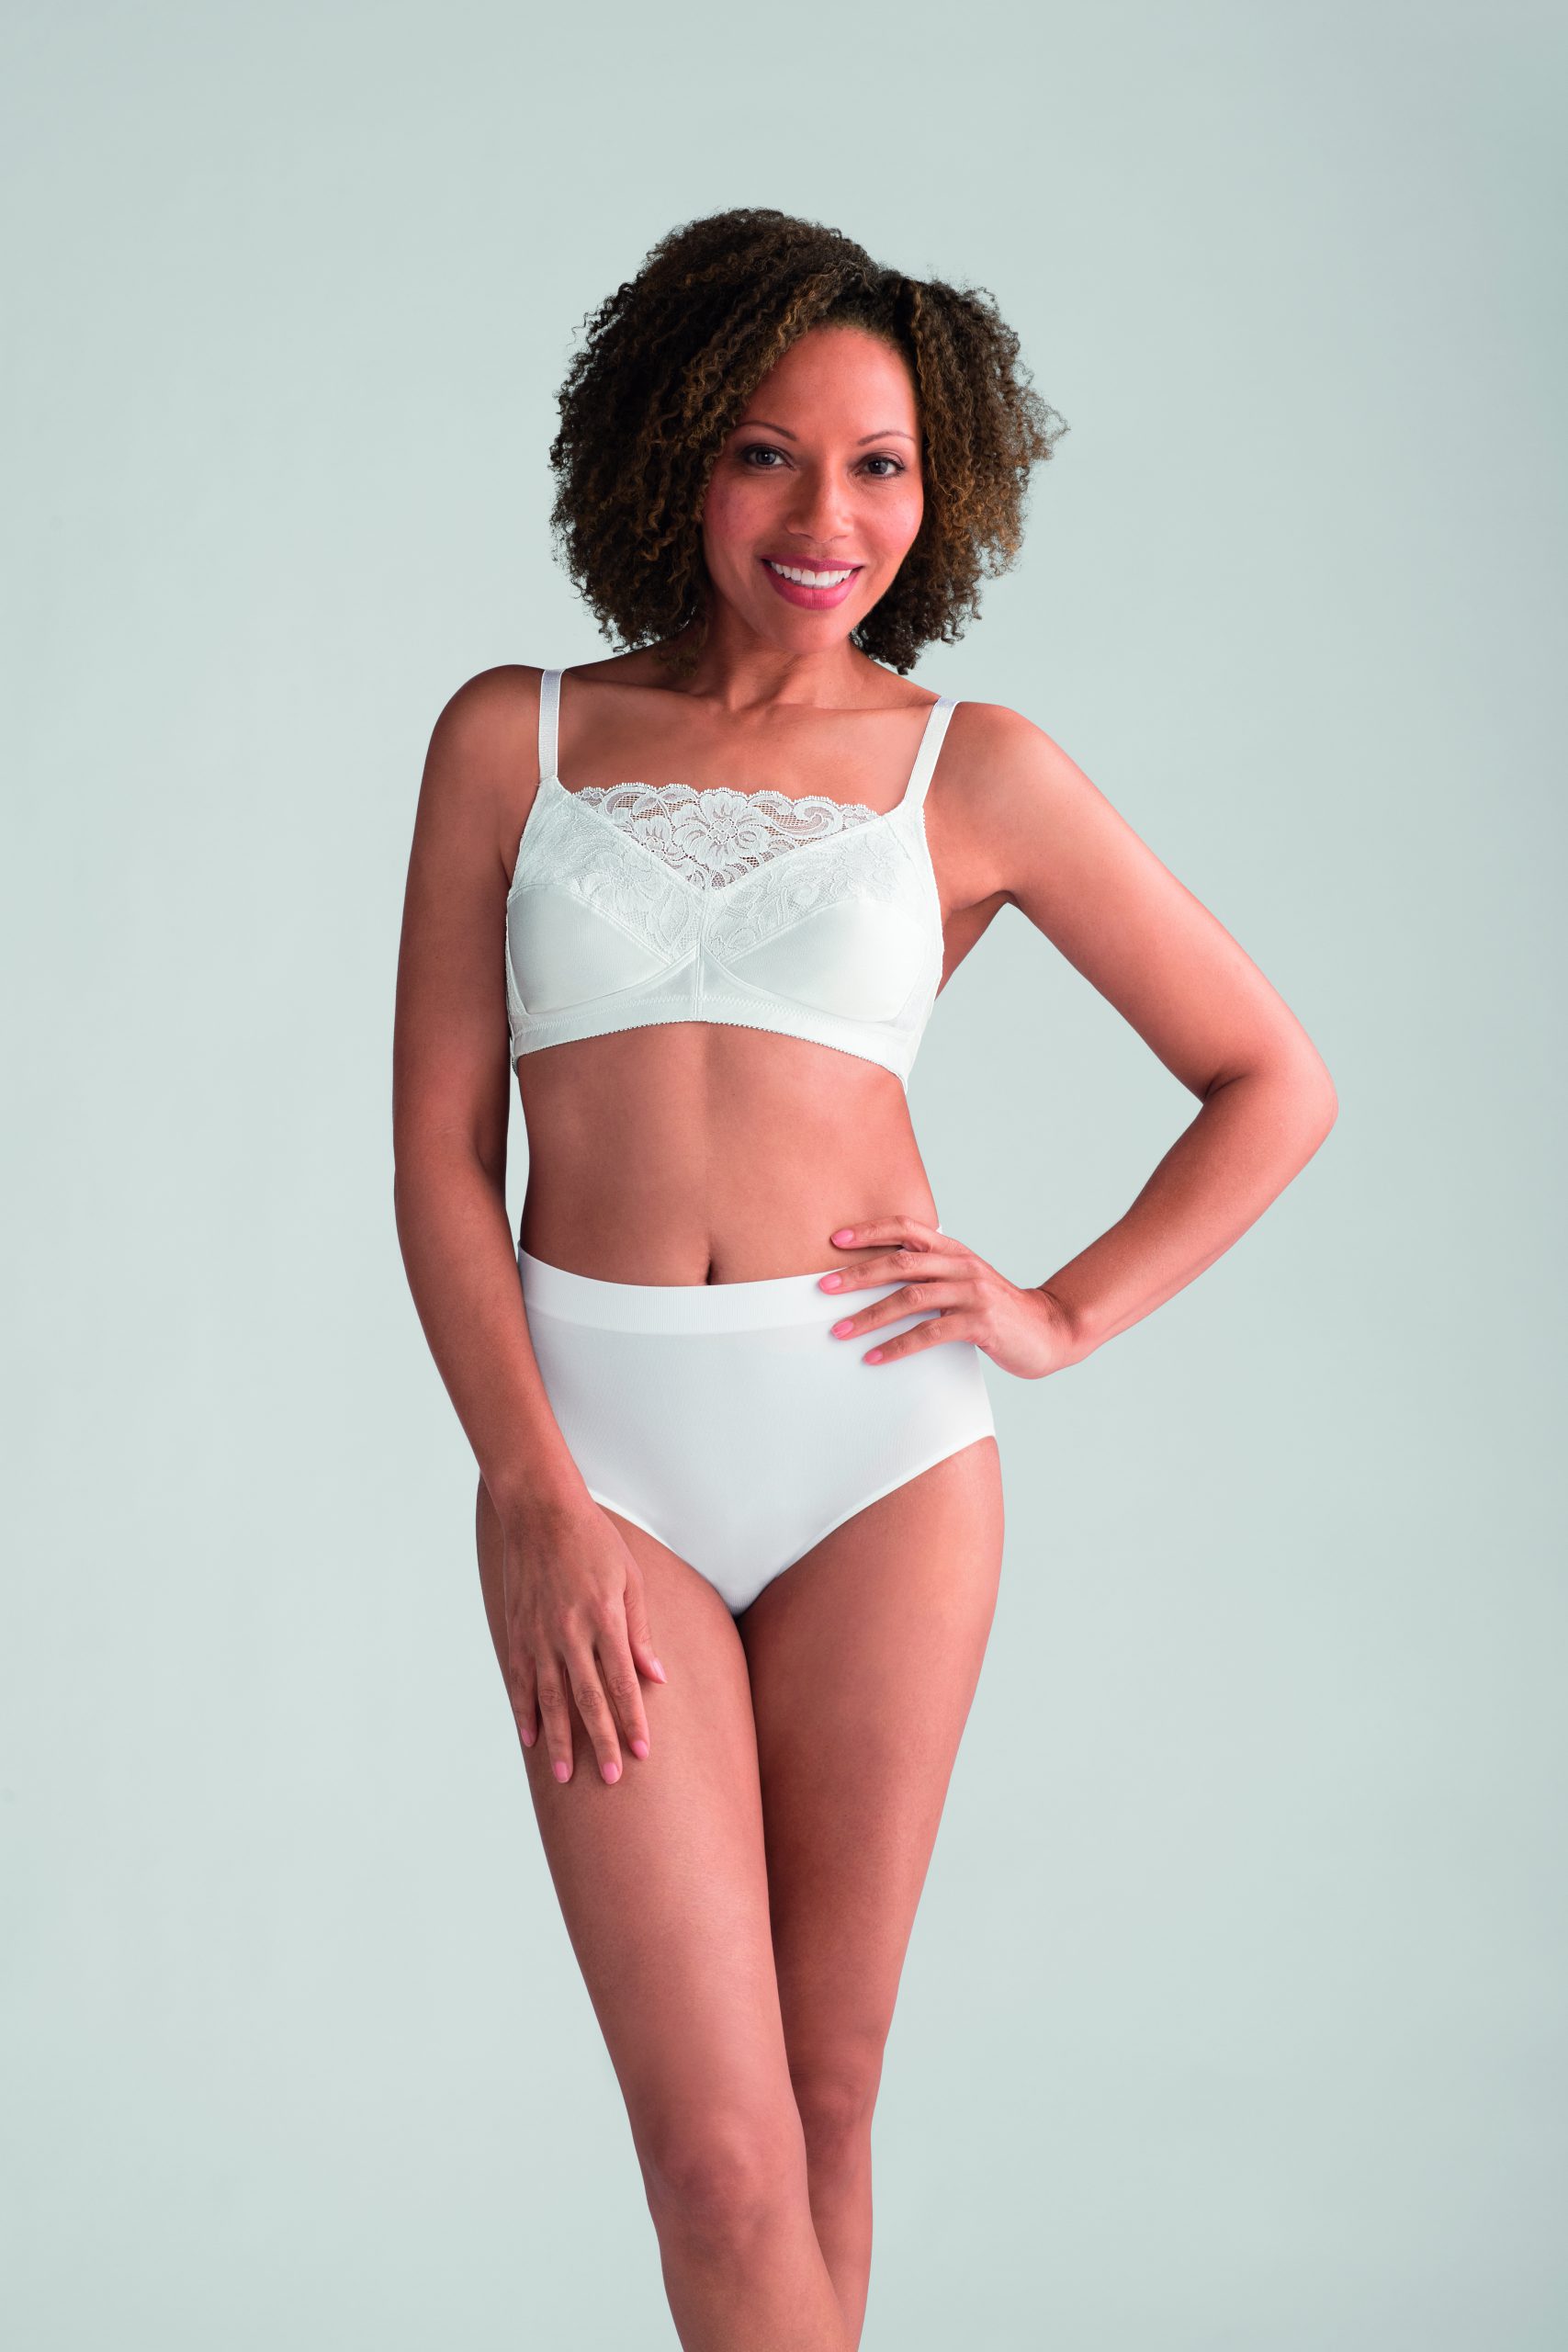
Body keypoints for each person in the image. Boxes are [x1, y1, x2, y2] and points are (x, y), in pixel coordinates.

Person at [391, 206, 1337, 2352]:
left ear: (943, 484)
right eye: (767, 452)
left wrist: (1057, 1313)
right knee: (716, 2162)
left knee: (822, 2108)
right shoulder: (509, 738)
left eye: (880, 465)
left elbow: (1269, 1076)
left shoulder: (968, 766)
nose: (827, 517)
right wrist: (528, 1484)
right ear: (670, 452)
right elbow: (441, 1153)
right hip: (593, 1453)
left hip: (878, 1459)